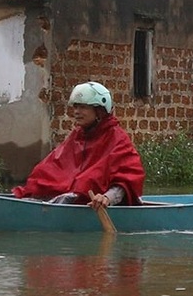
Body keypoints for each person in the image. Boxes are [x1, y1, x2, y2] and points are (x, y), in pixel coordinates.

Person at [12, 82, 145, 206]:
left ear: (99, 111)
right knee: (42, 174)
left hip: (98, 203)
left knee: (87, 180)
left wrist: (107, 198)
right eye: (75, 106)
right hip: (73, 199)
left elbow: (126, 179)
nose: (76, 112)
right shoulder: (77, 135)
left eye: (83, 107)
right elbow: (54, 166)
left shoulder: (117, 138)